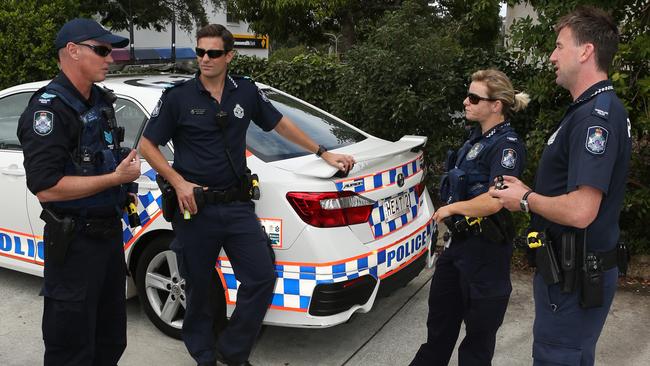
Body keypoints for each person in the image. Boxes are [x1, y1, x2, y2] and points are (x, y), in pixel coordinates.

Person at [138, 24, 354, 366]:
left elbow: (280, 124)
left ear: (229, 56)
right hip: (195, 209)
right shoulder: (178, 97)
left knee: (261, 277)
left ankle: (233, 351)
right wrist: (178, 182)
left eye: (212, 53)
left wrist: (323, 152)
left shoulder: (247, 92)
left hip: (237, 206)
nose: (204, 59)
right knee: (197, 288)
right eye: (199, 52)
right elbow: (147, 145)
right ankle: (204, 354)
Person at [489, 6, 632, 366]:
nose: (552, 55)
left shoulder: (593, 117)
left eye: (559, 46)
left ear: (585, 52)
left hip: (572, 279)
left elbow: (582, 211)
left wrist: (523, 198)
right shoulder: (594, 109)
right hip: (574, 274)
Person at [16, 18, 141, 365]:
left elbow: (101, 157)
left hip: (108, 240)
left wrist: (123, 185)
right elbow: (46, 187)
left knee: (110, 340)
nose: (110, 58)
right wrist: (114, 179)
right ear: (72, 51)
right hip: (74, 247)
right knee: (71, 349)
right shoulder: (49, 110)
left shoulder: (100, 101)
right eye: (101, 50)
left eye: (110, 50)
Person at [410, 69, 529, 366]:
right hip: (459, 248)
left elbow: (496, 198)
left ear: (496, 105)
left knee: (477, 342)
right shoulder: (475, 140)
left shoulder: (506, 146)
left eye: (474, 98)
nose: (466, 102)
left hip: (486, 254)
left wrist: (452, 209)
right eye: (468, 95)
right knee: (438, 330)